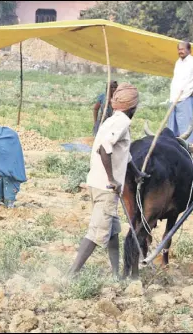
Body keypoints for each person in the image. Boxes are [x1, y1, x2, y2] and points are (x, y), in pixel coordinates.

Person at [68, 83, 147, 279]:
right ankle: (70, 275)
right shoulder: (122, 123)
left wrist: (136, 172)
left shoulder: (111, 120)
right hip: (106, 187)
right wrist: (112, 179)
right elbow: (104, 149)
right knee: (96, 232)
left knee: (112, 230)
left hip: (96, 182)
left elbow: (123, 153)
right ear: (133, 108)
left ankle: (115, 274)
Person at [167, 41, 193, 144]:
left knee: (185, 127)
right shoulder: (178, 62)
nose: (180, 51)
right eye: (179, 49)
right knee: (172, 127)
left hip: (185, 98)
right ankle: (173, 147)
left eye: (183, 49)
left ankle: (187, 150)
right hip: (174, 98)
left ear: (189, 50)